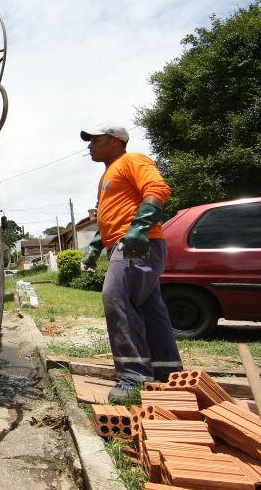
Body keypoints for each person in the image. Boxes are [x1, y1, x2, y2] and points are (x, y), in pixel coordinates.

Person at [79, 126, 182, 403]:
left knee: (117, 299)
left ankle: (134, 375)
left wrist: (139, 228)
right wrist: (96, 245)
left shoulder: (133, 160)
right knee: (150, 306)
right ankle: (167, 371)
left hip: (137, 243)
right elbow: (108, 214)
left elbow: (157, 189)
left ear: (115, 141)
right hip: (126, 242)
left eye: (95, 141)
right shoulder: (108, 174)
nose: (89, 147)